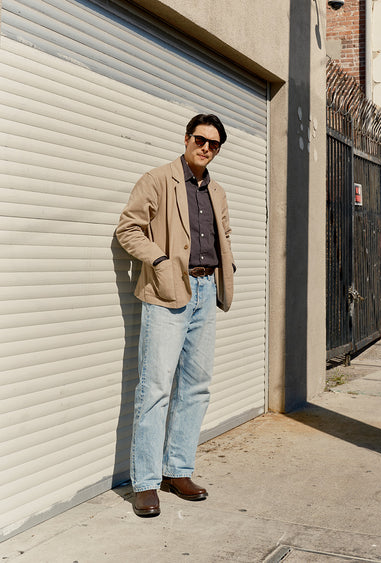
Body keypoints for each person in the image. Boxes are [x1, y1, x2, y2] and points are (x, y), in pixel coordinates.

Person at [116, 114, 235, 517]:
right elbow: (128, 229)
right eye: (201, 140)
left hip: (205, 292)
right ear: (186, 139)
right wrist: (161, 260)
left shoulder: (217, 190)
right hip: (168, 292)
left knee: (196, 387)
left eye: (214, 144)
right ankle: (146, 483)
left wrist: (225, 271)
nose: (206, 148)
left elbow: (225, 235)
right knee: (155, 389)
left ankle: (177, 471)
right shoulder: (157, 179)